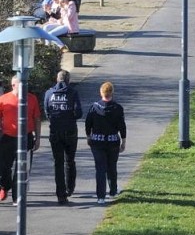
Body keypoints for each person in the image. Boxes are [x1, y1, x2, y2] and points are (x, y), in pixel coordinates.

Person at [0, 77, 41, 204]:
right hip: (7, 138)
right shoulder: (3, 99)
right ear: (13, 85)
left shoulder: (31, 98)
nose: (24, 87)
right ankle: (5, 187)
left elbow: (37, 119)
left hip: (26, 137)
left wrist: (38, 138)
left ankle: (17, 197)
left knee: (21, 168)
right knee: (4, 167)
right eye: (21, 85)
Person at [44, 70, 83, 205]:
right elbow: (79, 113)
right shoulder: (72, 93)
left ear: (57, 79)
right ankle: (69, 188)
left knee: (58, 163)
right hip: (70, 130)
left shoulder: (49, 93)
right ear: (68, 80)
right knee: (70, 160)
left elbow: (46, 111)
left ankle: (61, 195)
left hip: (55, 131)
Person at [85, 81, 126, 204]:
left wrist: (88, 136)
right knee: (112, 166)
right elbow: (122, 126)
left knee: (100, 169)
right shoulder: (118, 108)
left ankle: (101, 197)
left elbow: (88, 124)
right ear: (112, 92)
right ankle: (113, 190)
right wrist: (123, 141)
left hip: (97, 142)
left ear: (101, 92)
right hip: (113, 141)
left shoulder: (94, 107)